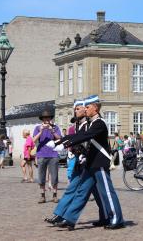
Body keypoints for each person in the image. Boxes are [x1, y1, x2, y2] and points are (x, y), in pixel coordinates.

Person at [49, 95, 124, 230]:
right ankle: (70, 219)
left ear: (95, 108)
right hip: (91, 163)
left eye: (88, 107)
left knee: (107, 192)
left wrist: (66, 144)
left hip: (100, 162)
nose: (86, 109)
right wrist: (59, 141)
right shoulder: (91, 123)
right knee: (82, 192)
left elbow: (85, 136)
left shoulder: (99, 123)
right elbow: (78, 135)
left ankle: (117, 219)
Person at [33, 110, 62, 203]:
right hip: (41, 154)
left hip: (53, 154)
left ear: (50, 119)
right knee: (41, 176)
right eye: (45, 118)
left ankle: (54, 195)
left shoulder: (55, 127)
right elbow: (33, 140)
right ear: (42, 119)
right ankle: (42, 196)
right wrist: (41, 131)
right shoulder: (37, 128)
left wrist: (52, 131)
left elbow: (60, 139)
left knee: (54, 176)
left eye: (48, 118)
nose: (47, 119)